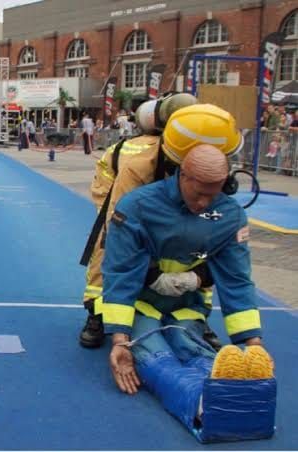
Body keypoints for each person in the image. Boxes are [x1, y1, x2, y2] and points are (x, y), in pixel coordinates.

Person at [102, 144, 274, 440]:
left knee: (190, 347)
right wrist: (120, 339)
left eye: (214, 194)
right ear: (183, 176)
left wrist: (252, 344)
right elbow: (121, 274)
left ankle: (226, 391)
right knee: (154, 352)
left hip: (187, 307)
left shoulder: (230, 215)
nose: (206, 203)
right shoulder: (137, 207)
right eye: (199, 194)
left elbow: (237, 280)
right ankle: (202, 403)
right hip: (141, 304)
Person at [78, 98, 242, 351]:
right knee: (109, 250)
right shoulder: (140, 164)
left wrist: (197, 276)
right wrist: (152, 271)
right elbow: (121, 228)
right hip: (120, 195)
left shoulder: (207, 148)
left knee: (200, 247)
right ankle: (97, 313)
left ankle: (197, 315)